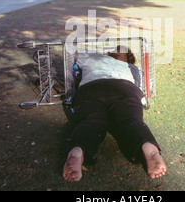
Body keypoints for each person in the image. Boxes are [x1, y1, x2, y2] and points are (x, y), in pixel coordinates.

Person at [63, 46, 167, 182]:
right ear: (129, 58)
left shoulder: (93, 57)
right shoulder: (131, 67)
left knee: (90, 122)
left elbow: (78, 59)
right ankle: (148, 146)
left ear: (110, 53)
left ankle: (78, 149)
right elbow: (144, 83)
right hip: (124, 89)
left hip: (91, 89)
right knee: (130, 121)